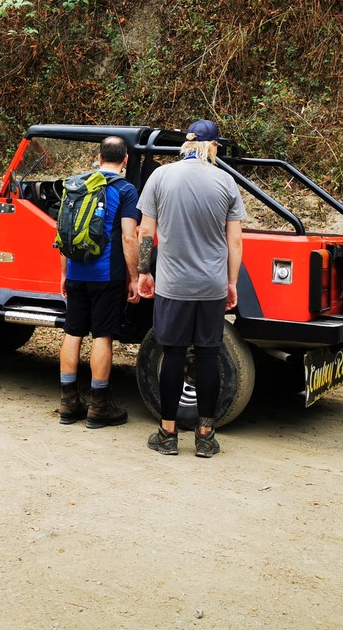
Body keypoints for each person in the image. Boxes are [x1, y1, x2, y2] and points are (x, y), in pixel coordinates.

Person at [136, 120, 245, 457]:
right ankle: (206, 436)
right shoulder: (225, 181)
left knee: (173, 354)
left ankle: (168, 434)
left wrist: (144, 272)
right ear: (213, 146)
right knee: (208, 355)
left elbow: (145, 232)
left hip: (173, 285)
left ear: (186, 144)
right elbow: (235, 240)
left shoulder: (160, 177)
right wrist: (231, 282)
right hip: (211, 285)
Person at [58, 136, 140, 428]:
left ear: (99, 157)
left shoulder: (77, 185)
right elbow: (129, 237)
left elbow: (63, 233)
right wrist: (135, 277)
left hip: (76, 272)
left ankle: (68, 402)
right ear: (125, 160)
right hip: (106, 275)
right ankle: (99, 406)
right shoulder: (125, 189)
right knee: (102, 335)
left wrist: (64, 274)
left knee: (72, 332)